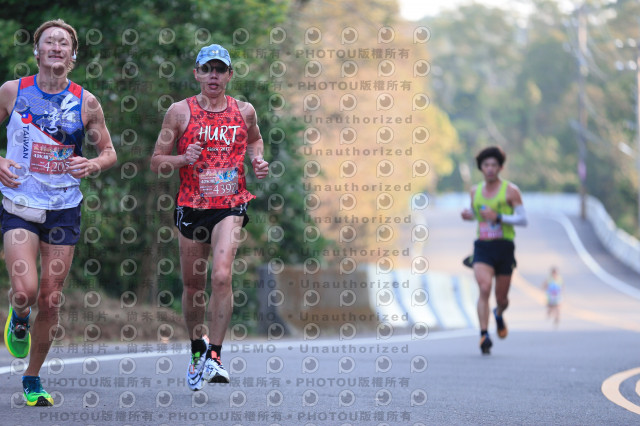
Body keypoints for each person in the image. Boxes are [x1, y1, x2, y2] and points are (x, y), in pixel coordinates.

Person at [0, 19, 117, 406]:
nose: (55, 47)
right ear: (37, 52)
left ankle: (32, 378)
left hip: (63, 207)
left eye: (63, 43)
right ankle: (19, 316)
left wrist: (92, 164)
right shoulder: (13, 91)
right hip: (20, 203)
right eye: (48, 41)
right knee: (25, 291)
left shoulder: (86, 102)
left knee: (50, 299)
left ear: (72, 56)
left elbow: (109, 152)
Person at [150, 43, 269, 391]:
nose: (213, 75)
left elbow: (256, 141)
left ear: (229, 75)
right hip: (191, 205)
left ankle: (215, 355)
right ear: (197, 74)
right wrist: (182, 159)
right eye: (207, 69)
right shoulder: (178, 112)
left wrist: (257, 160)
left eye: (220, 69)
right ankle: (196, 347)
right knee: (193, 286)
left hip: (230, 204)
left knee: (221, 275)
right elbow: (157, 161)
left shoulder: (244, 111)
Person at [460, 146, 527, 355]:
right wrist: (468, 215)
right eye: (486, 165)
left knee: (502, 299)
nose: (490, 169)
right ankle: (484, 335)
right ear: (481, 168)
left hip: (504, 246)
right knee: (484, 287)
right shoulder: (475, 191)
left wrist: (498, 217)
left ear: (500, 168)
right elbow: (475, 213)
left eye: (493, 165)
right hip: (483, 246)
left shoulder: (511, 191)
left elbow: (523, 219)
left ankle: (498, 313)